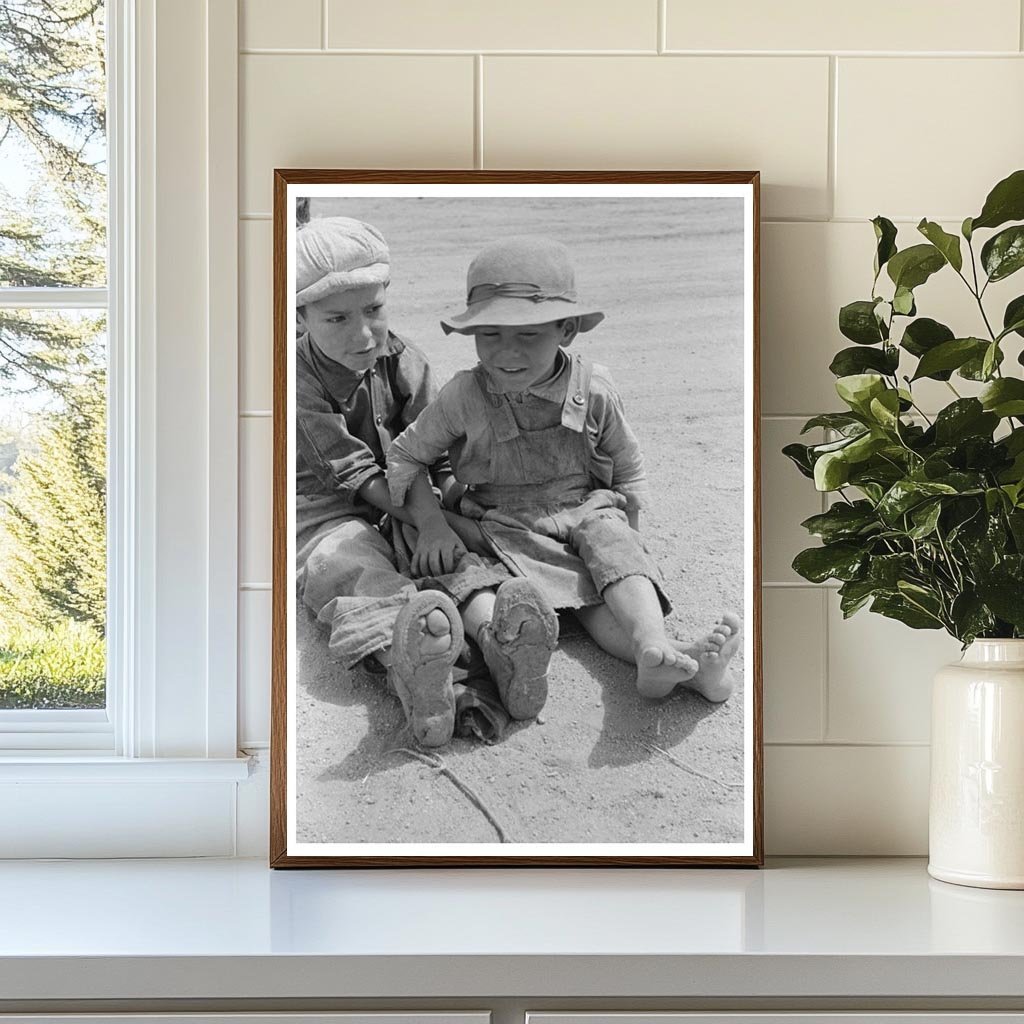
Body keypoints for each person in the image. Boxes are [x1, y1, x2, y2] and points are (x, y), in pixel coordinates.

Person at [386, 236, 741, 703]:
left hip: (584, 508)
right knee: (489, 576)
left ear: (567, 330)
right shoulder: (463, 396)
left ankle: (653, 643)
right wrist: (432, 524)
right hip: (503, 521)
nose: (506, 351)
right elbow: (406, 455)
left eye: (528, 334)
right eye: (490, 334)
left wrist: (630, 543)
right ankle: (520, 646)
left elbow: (628, 468)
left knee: (613, 555)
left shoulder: (592, 387)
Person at [294, 216, 553, 748]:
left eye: (374, 310)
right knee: (348, 562)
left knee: (452, 553)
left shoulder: (405, 360)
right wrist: (434, 519)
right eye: (336, 319)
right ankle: (414, 660)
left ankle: (497, 637)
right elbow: (356, 473)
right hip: (325, 505)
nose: (362, 334)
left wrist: (456, 511)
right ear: (301, 318)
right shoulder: (294, 379)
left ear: (388, 295)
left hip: (405, 495)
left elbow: (433, 451)